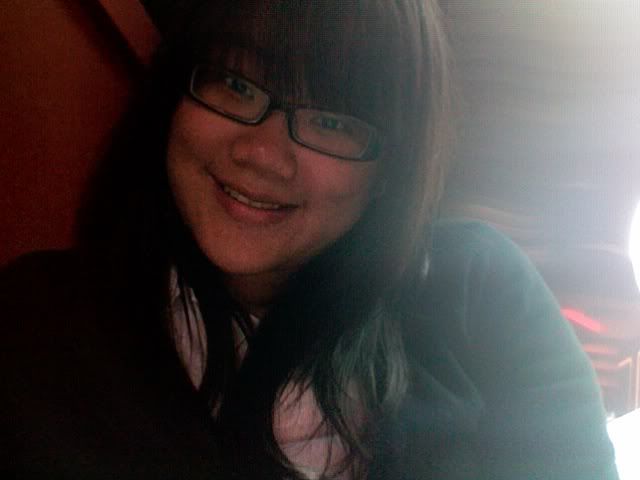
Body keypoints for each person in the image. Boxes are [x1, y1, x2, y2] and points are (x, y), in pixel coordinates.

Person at [1, 1, 618, 479]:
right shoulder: (35, 319)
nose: (264, 155)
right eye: (235, 84)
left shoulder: (480, 292)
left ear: (390, 172)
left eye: (331, 120)